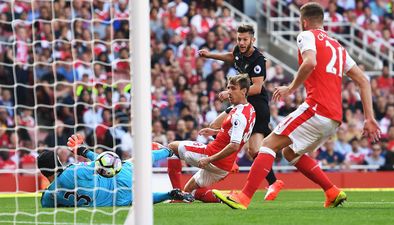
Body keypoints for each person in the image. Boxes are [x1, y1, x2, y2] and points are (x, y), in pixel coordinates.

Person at [212, 2, 381, 209]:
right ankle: (332, 191)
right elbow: (363, 80)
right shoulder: (337, 46)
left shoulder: (306, 35)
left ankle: (243, 197)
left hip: (317, 108)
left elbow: (309, 62)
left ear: (304, 22)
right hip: (334, 117)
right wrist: (369, 118)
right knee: (291, 152)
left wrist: (290, 88)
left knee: (267, 145)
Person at [198, 24, 284, 200]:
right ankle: (230, 161)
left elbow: (258, 87)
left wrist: (230, 92)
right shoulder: (238, 50)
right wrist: (210, 55)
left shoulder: (258, 60)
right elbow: (232, 57)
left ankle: (274, 182)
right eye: (239, 39)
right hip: (241, 102)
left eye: (245, 39)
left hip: (256, 106)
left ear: (252, 39)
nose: (242, 42)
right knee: (215, 125)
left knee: (254, 150)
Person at [39, 134, 194, 207]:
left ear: (43, 172)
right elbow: (106, 162)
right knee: (137, 160)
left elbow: (47, 201)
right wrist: (82, 151)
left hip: (115, 201)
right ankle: (169, 151)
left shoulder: (48, 197)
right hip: (118, 179)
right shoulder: (73, 171)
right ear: (59, 162)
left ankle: (169, 194)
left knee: (141, 199)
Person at [167, 74, 255, 203]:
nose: (228, 92)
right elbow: (239, 135)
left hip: (212, 156)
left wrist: (209, 159)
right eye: (228, 88)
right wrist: (215, 131)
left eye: (233, 88)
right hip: (225, 167)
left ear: (244, 91)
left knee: (172, 147)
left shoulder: (239, 115)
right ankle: (223, 198)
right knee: (189, 189)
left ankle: (177, 196)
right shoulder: (250, 109)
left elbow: (234, 145)